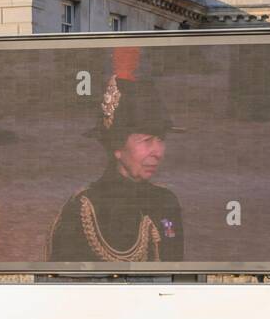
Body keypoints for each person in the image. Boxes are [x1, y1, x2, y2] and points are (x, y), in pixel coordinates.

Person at [45, 47, 185, 264]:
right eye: (147, 141)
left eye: (161, 140)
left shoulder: (166, 202)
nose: (157, 152)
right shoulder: (83, 210)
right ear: (116, 147)